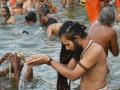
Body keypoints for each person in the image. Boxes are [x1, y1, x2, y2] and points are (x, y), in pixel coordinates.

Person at [27, 22, 108, 90]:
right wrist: (44, 59)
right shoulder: (84, 48)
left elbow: (73, 76)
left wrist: (49, 61)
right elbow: (69, 69)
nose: (67, 48)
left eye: (68, 44)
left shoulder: (94, 50)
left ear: (76, 38)